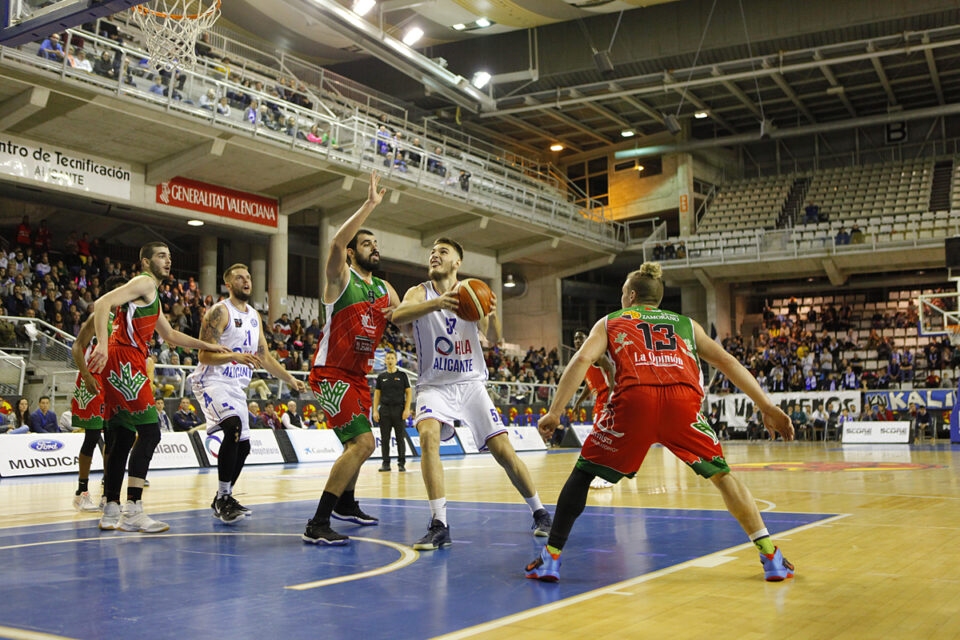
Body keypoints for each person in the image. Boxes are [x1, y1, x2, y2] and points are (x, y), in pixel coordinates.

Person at [529, 262, 795, 583]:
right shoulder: (686, 324)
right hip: (683, 403)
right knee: (723, 477)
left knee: (583, 473)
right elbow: (727, 361)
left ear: (630, 295)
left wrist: (555, 411)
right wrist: (766, 404)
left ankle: (551, 558)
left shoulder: (612, 321)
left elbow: (582, 359)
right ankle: (770, 557)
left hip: (635, 401)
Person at [391, 237, 552, 551]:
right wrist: (437, 304)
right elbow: (398, 317)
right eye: (433, 252)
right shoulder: (419, 293)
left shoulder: (472, 292)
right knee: (427, 436)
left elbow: (495, 338)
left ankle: (541, 512)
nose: (435, 255)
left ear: (457, 263)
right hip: (434, 385)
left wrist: (488, 313)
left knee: (503, 451)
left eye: (443, 252)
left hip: (470, 384)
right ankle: (440, 524)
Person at [88, 242, 228, 534]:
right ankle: (133, 510)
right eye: (161, 256)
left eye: (169, 256)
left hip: (121, 359)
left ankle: (112, 506)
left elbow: (171, 335)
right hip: (125, 357)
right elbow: (101, 304)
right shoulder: (143, 282)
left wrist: (207, 345)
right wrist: (102, 343)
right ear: (145, 262)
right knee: (150, 433)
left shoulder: (150, 295)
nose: (168, 260)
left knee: (123, 435)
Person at [302, 171, 401, 546]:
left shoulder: (383, 288)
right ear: (352, 252)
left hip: (359, 378)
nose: (373, 247)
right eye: (366, 243)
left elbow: (407, 315)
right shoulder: (341, 277)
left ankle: (346, 503)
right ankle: (318, 522)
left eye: (376, 243)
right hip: (331, 373)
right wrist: (370, 205)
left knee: (357, 446)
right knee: (362, 444)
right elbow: (335, 242)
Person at [191, 263, 306, 523]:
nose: (246, 281)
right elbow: (203, 354)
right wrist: (234, 356)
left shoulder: (254, 316)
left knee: (243, 446)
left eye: (249, 277)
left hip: (236, 387)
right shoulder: (219, 312)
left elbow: (264, 356)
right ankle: (222, 497)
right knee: (231, 427)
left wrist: (289, 379)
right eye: (240, 278)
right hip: (211, 381)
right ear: (228, 284)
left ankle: (225, 497)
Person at [69, 274, 126, 511]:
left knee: (112, 439)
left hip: (114, 380)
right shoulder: (98, 315)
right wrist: (88, 375)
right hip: (93, 379)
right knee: (92, 437)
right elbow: (77, 347)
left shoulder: (127, 319)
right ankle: (81, 491)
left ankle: (107, 492)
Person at [571, 329, 615, 488]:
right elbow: (589, 386)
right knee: (606, 436)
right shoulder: (583, 360)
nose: (577, 341)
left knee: (600, 437)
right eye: (575, 338)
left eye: (580, 338)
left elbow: (611, 368)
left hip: (608, 397)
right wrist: (578, 402)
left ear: (588, 339)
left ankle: (607, 475)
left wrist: (612, 393)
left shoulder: (597, 355)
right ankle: (623, 467)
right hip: (599, 399)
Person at [373, 350, 411, 472]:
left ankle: (401, 463)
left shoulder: (402, 376)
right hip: (384, 410)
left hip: (399, 410)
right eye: (388, 358)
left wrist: (407, 409)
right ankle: (386, 463)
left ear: (396, 360)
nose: (390, 360)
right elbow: (377, 395)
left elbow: (409, 393)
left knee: (400, 438)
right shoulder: (381, 377)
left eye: (392, 358)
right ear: (385, 360)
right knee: (385, 438)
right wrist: (375, 411)